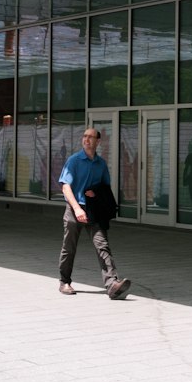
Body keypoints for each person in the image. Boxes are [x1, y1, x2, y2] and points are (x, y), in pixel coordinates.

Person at [58, 127, 130, 299]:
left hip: (93, 211)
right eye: (85, 136)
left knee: (102, 245)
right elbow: (65, 186)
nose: (86, 139)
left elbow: (106, 188)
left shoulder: (101, 164)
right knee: (69, 247)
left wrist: (96, 193)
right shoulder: (74, 161)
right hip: (75, 209)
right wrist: (76, 208)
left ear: (98, 141)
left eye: (91, 137)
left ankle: (112, 284)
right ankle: (64, 281)